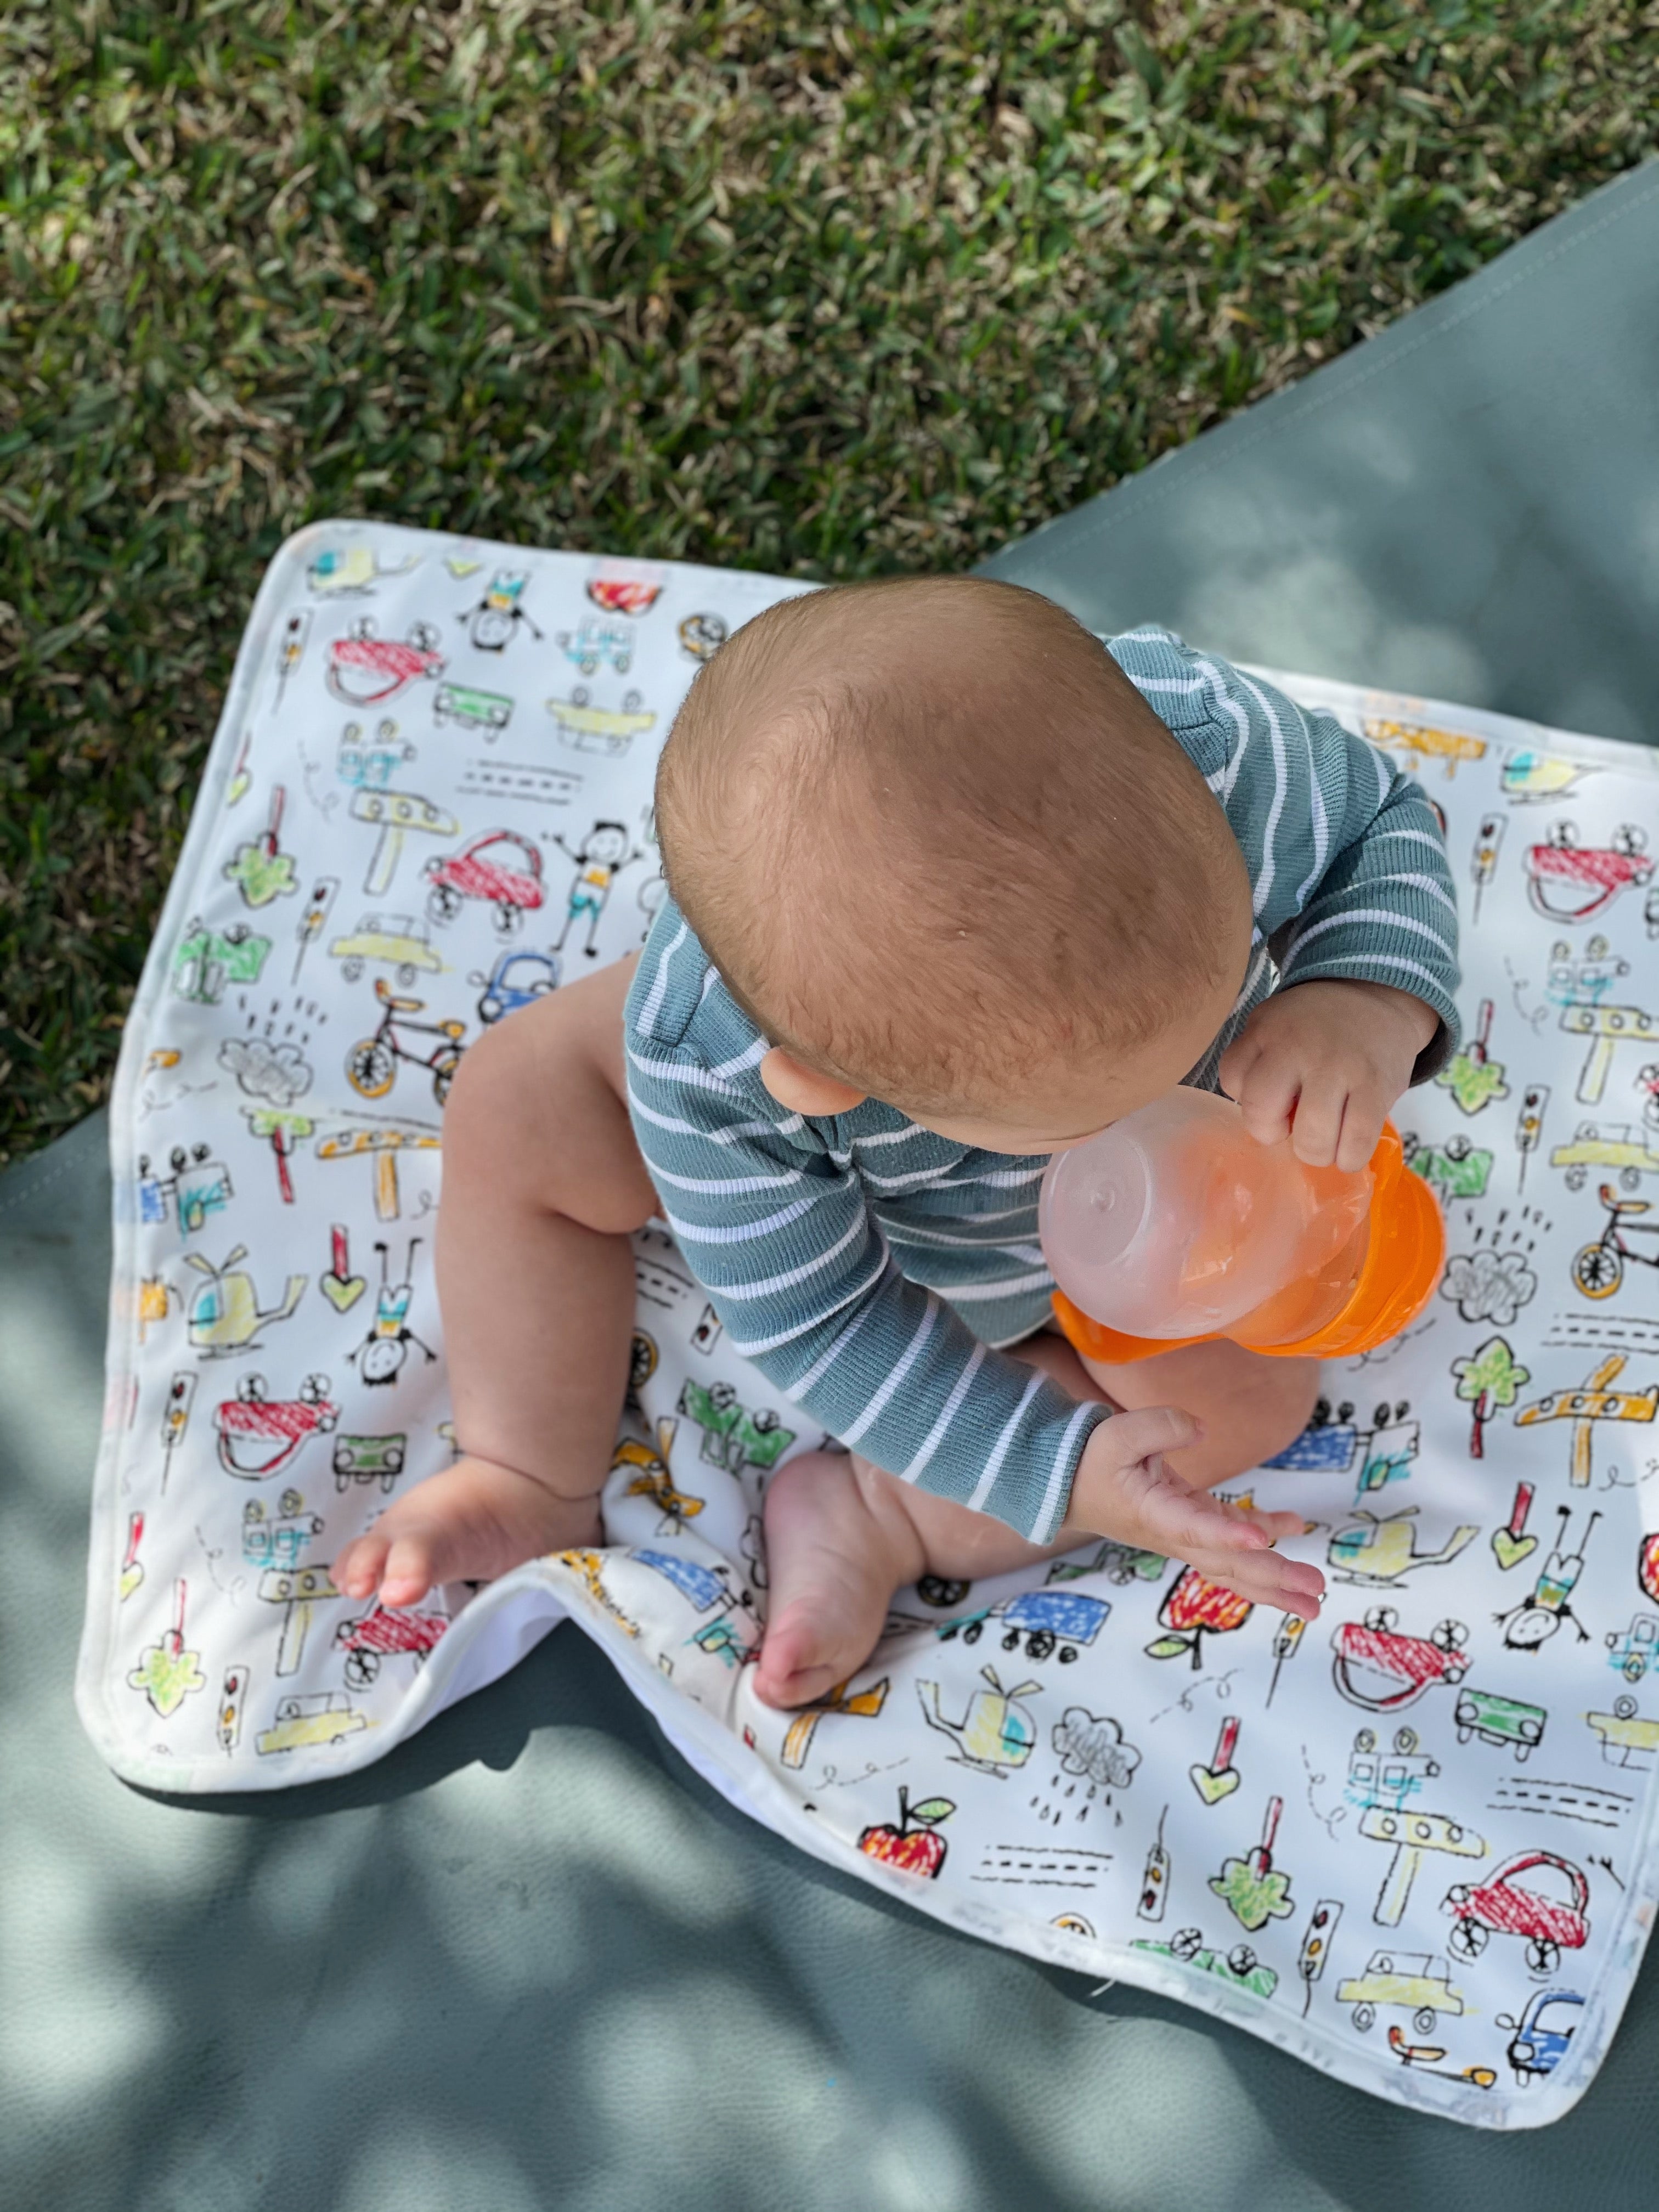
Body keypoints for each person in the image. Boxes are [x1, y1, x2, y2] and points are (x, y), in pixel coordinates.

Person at [335, 577, 1460, 1709]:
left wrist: (1360, 997)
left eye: (1203, 1011)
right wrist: (1050, 1465)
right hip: (907, 1219)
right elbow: (826, 1322)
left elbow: (1383, 822)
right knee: (520, 1103)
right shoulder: (716, 1075)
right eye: (1087, 1112)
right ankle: (526, 1468)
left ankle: (882, 1513)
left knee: (1245, 1410)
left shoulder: (1206, 746)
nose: (1153, 1108)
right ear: (828, 1083)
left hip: (1140, 1242)